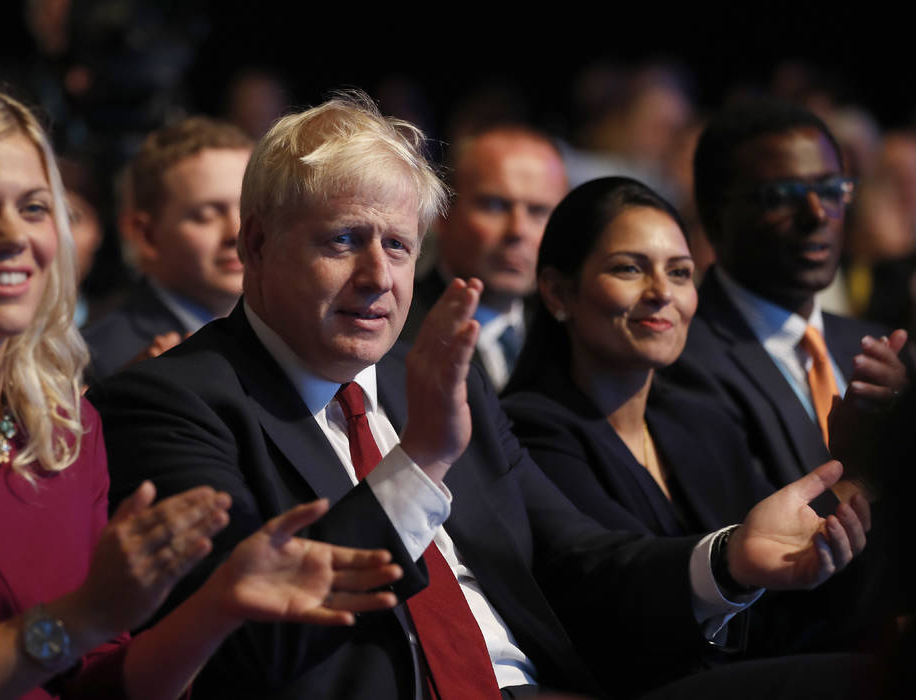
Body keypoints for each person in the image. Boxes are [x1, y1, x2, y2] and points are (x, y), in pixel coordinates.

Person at [89, 92, 876, 700]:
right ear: (255, 244)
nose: (379, 278)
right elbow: (245, 648)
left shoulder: (424, 377)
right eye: (342, 240)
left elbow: (576, 559)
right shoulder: (170, 401)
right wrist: (421, 459)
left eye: (398, 245)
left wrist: (729, 559)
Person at [0, 83, 402, 700]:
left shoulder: (68, 429)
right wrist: (78, 619)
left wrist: (218, 607)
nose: (12, 235)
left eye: (36, 207)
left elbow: (103, 682)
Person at [501, 176, 905, 656]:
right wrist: (733, 559)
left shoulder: (696, 419)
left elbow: (778, 603)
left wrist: (869, 474)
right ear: (556, 292)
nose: (662, 292)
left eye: (679, 272)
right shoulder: (527, 429)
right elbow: (609, 586)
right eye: (629, 268)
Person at [663, 98, 908, 488]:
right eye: (781, 196)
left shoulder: (884, 353)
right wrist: (862, 470)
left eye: (832, 190)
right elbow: (749, 530)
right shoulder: (677, 359)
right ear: (712, 216)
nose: (816, 215)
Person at [400, 125, 568, 389]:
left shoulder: (571, 337)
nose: (518, 230)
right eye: (495, 205)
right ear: (442, 212)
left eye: (538, 211)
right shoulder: (396, 336)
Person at [84, 117, 252, 380]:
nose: (236, 232)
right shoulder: (99, 359)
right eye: (206, 215)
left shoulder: (287, 333)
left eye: (248, 209)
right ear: (146, 235)